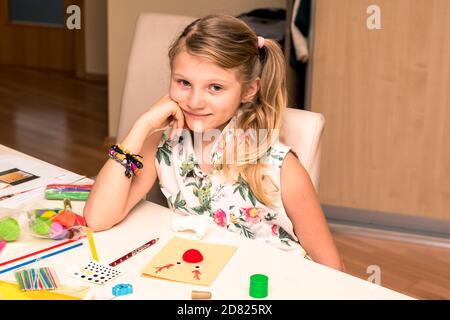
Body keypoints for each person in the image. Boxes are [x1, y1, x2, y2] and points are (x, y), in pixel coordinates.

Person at [84, 14, 344, 271]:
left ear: (249, 90)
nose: (195, 101)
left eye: (215, 87)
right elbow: (98, 218)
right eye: (184, 82)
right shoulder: (164, 144)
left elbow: (333, 270)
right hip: (202, 279)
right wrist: (142, 125)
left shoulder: (279, 165)